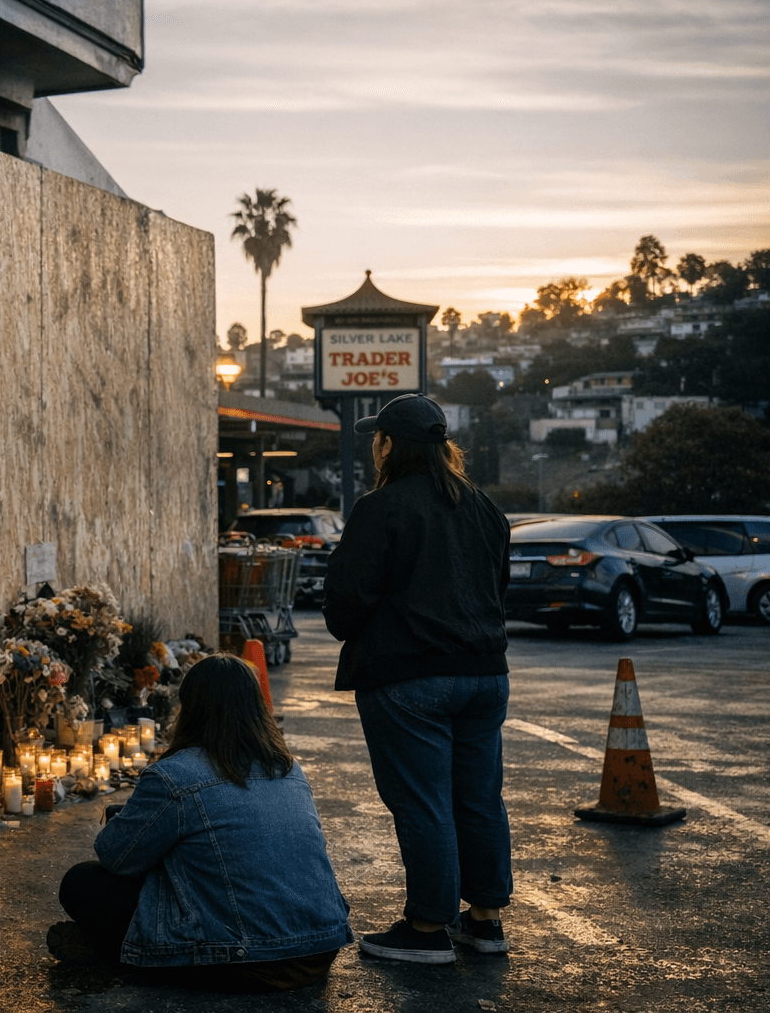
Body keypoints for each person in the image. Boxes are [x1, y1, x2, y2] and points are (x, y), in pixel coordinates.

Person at [323, 393, 513, 964]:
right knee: (478, 800)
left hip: (409, 680)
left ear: (386, 446)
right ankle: (484, 920)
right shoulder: (483, 507)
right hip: (484, 675)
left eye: (375, 440)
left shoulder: (380, 508)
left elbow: (345, 604)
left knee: (423, 802)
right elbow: (496, 590)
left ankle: (428, 928)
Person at [53, 655, 352, 992]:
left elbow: (115, 858)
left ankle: (121, 954)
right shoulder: (287, 767)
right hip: (318, 948)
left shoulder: (175, 775)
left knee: (81, 882)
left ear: (190, 708)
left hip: (250, 960)